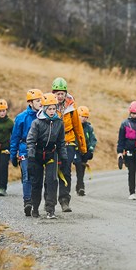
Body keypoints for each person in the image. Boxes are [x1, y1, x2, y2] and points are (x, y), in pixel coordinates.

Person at [26, 93, 66, 219]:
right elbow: (31, 140)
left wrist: (63, 156)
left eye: (54, 108)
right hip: (37, 154)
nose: (52, 111)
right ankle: (35, 207)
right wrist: (31, 156)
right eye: (49, 109)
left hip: (50, 154)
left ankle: (50, 210)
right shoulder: (36, 123)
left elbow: (61, 142)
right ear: (44, 109)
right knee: (36, 182)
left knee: (52, 181)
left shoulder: (59, 122)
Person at [51, 78, 86, 213]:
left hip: (68, 142)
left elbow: (78, 128)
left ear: (66, 94)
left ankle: (64, 200)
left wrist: (83, 147)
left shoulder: (72, 109)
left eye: (62, 94)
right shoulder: (49, 106)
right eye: (57, 93)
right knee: (52, 172)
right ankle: (51, 201)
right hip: (53, 143)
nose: (59, 96)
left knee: (66, 170)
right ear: (53, 93)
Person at [9, 89, 43, 214]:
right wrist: (13, 155)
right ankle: (27, 201)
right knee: (27, 176)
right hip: (25, 150)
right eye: (37, 101)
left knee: (38, 177)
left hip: (39, 150)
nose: (40, 103)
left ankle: (36, 203)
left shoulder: (44, 116)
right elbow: (15, 137)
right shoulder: (21, 118)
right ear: (30, 102)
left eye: (41, 100)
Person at [74, 105, 97, 197]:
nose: (84, 119)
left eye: (86, 117)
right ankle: (80, 186)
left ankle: (79, 186)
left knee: (81, 169)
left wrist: (90, 150)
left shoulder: (89, 128)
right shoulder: (73, 126)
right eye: (82, 116)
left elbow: (93, 139)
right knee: (78, 165)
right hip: (75, 150)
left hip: (85, 151)